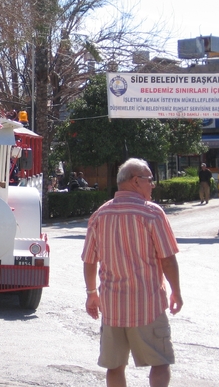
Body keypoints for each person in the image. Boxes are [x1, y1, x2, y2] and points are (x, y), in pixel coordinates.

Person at [82, 158, 183, 387]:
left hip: (112, 306)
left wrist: (91, 293)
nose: (152, 185)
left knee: (115, 367)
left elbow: (89, 260)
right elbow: (167, 260)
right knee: (160, 363)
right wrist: (176, 291)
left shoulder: (100, 214)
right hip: (148, 304)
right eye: (150, 180)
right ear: (136, 181)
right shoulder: (152, 213)